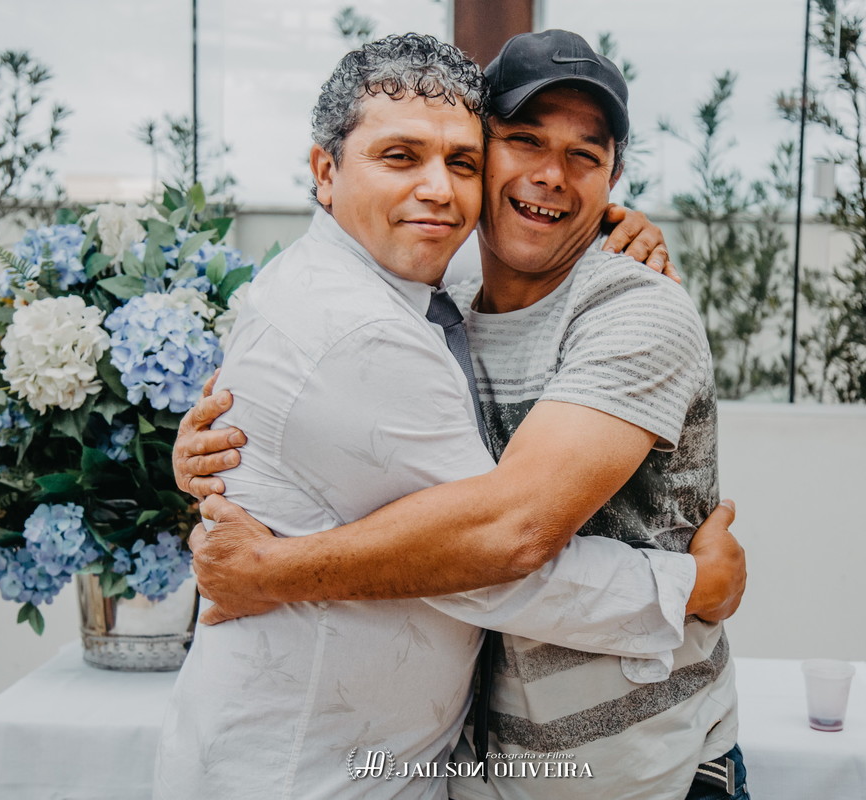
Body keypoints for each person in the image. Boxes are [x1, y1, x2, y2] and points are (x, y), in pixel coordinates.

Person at [159, 31, 747, 800]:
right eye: (524, 141)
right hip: (409, 763)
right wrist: (689, 586)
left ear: (614, 181)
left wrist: (273, 571)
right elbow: (481, 542)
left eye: (585, 157)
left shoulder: (628, 310)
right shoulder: (423, 300)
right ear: (325, 172)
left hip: (630, 775)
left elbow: (505, 534)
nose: (550, 174)